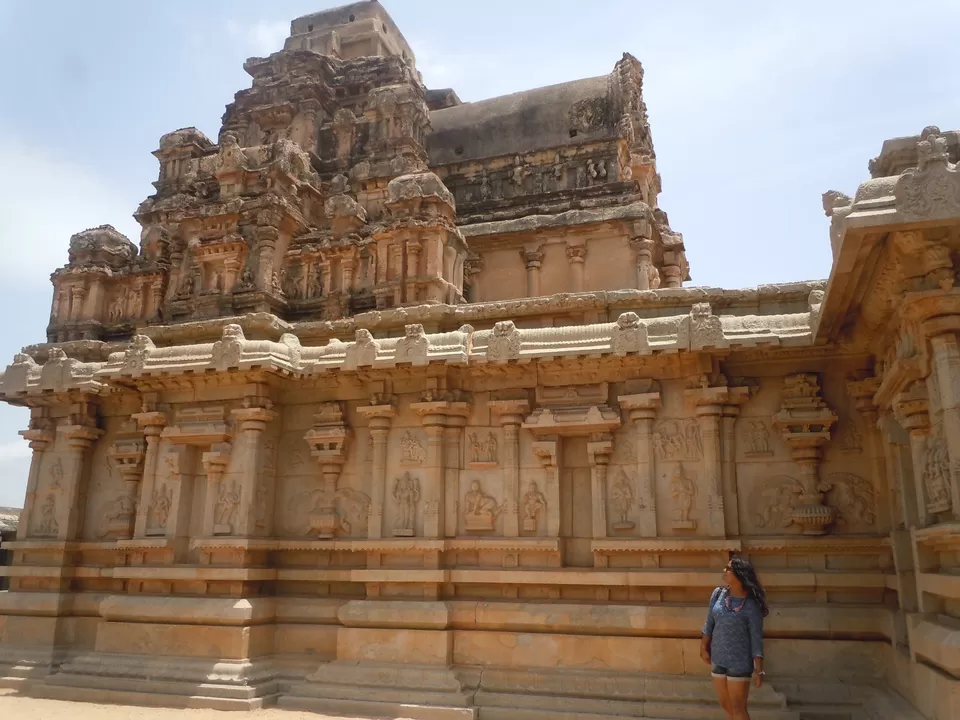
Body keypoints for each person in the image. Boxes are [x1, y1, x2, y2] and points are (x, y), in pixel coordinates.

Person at [700, 555, 768, 720]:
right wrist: (703, 647)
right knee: (726, 704)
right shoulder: (718, 594)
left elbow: (756, 638)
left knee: (738, 707)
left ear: (740, 574)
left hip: (739, 663)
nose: (724, 570)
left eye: (729, 568)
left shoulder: (751, 605)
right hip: (718, 658)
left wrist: (759, 669)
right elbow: (709, 623)